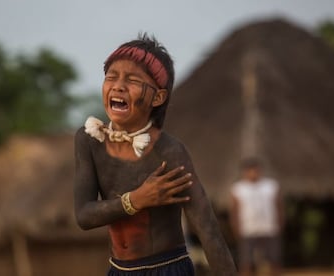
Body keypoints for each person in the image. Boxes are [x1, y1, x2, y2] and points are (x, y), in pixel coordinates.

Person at [74, 33, 236, 275]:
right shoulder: (89, 140)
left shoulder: (169, 152)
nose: (118, 86)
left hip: (167, 269)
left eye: (132, 80)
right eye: (111, 77)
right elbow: (84, 216)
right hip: (118, 270)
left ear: (158, 97)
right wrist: (136, 200)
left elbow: (208, 230)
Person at [230, 157, 284, 276]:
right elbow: (234, 211)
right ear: (245, 172)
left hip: (269, 228)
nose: (253, 173)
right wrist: (236, 229)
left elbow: (279, 207)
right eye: (250, 170)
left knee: (274, 260)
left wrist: (279, 225)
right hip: (248, 230)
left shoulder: (271, 186)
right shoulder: (238, 189)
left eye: (255, 170)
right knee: (246, 262)